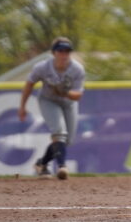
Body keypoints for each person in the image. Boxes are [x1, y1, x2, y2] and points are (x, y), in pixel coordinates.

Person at [18, 37, 86, 180]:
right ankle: (62, 167)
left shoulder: (77, 69)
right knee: (59, 132)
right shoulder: (42, 67)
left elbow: (78, 95)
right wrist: (22, 106)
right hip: (48, 100)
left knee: (67, 140)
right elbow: (29, 84)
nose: (64, 54)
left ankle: (41, 163)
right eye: (60, 51)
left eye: (67, 51)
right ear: (53, 52)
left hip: (68, 102)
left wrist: (65, 92)